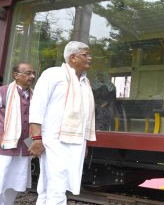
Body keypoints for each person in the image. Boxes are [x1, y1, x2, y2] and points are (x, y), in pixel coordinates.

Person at [28, 41, 96, 204]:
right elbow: (37, 107)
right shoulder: (53, 74)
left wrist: (84, 144)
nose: (90, 58)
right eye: (86, 55)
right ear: (73, 57)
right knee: (58, 186)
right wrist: (37, 139)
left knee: (49, 186)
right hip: (54, 140)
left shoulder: (85, 82)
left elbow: (85, 115)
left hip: (75, 142)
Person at [0, 62, 35, 205]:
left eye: (33, 73)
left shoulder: (35, 95)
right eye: (28, 73)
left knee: (14, 182)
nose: (32, 76)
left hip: (24, 146)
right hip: (5, 145)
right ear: (16, 75)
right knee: (1, 178)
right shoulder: (3, 91)